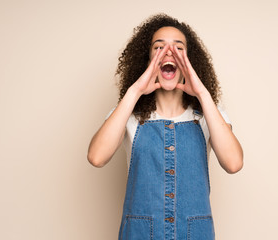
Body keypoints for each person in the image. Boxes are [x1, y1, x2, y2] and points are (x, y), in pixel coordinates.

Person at [87, 13, 243, 240]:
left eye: (178, 47)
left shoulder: (208, 116)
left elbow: (234, 163)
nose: (169, 52)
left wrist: (202, 92)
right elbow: (96, 157)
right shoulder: (127, 116)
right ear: (147, 59)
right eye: (159, 47)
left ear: (190, 61)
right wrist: (135, 91)